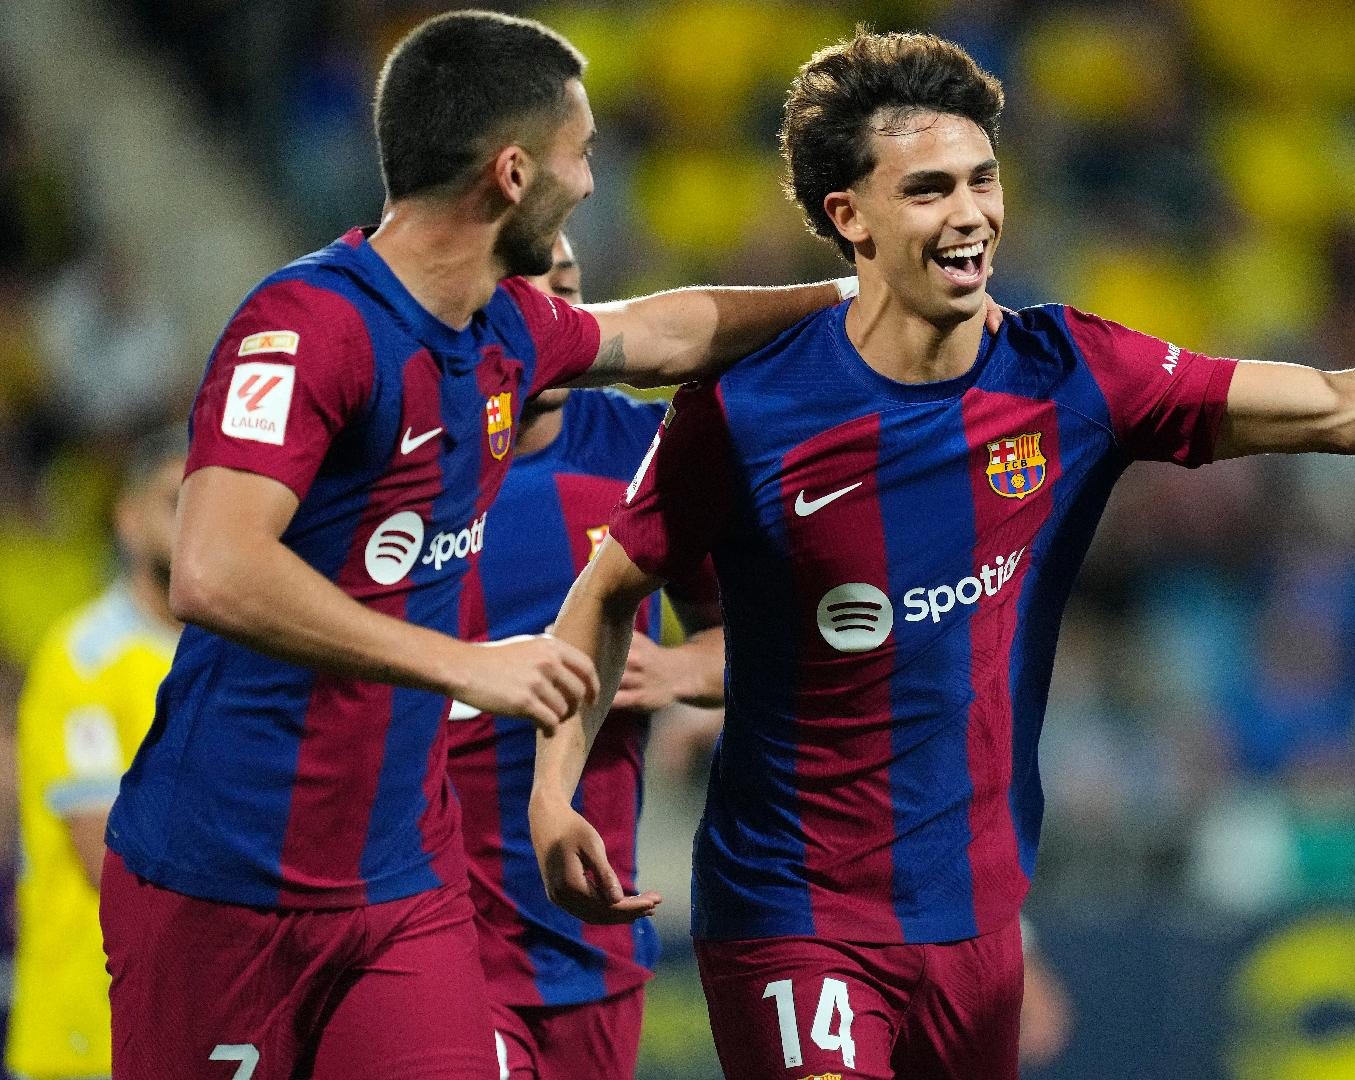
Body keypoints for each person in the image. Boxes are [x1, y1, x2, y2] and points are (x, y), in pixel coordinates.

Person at [529, 30, 1355, 1080]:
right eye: (929, 190)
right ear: (847, 216)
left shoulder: (1071, 375)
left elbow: (1347, 408)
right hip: (792, 915)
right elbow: (609, 585)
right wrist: (554, 793)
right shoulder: (748, 412)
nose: (970, 215)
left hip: (980, 925)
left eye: (981, 180)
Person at [100, 11, 848, 1077]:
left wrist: (857, 296)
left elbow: (664, 331)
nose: (591, 182)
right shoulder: (310, 325)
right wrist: (463, 664)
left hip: (401, 888)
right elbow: (215, 568)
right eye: (579, 153)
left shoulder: (504, 331)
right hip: (225, 877)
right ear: (511, 173)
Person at [448, 233, 725, 1079]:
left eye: (570, 289)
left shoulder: (650, 452)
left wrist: (679, 673)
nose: (559, 315)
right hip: (438, 922)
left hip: (593, 935)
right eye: (532, 292)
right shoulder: (414, 463)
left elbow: (758, 637)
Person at [9, 432, 183, 1080]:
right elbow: (105, 857)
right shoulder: (80, 659)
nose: (194, 521)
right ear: (128, 518)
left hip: (187, 1023)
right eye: (174, 501)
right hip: (81, 1034)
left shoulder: (228, 658)